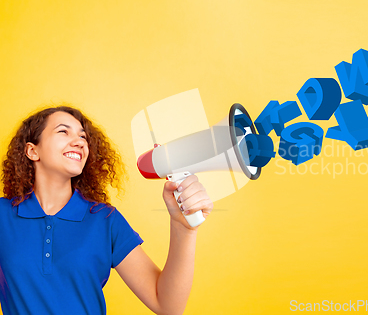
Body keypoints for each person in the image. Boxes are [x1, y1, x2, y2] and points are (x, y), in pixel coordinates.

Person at [0, 106, 213, 315]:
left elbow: (167, 306)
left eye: (83, 137)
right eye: (63, 131)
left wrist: (183, 228)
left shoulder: (104, 220)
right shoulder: (3, 216)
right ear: (32, 151)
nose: (79, 142)